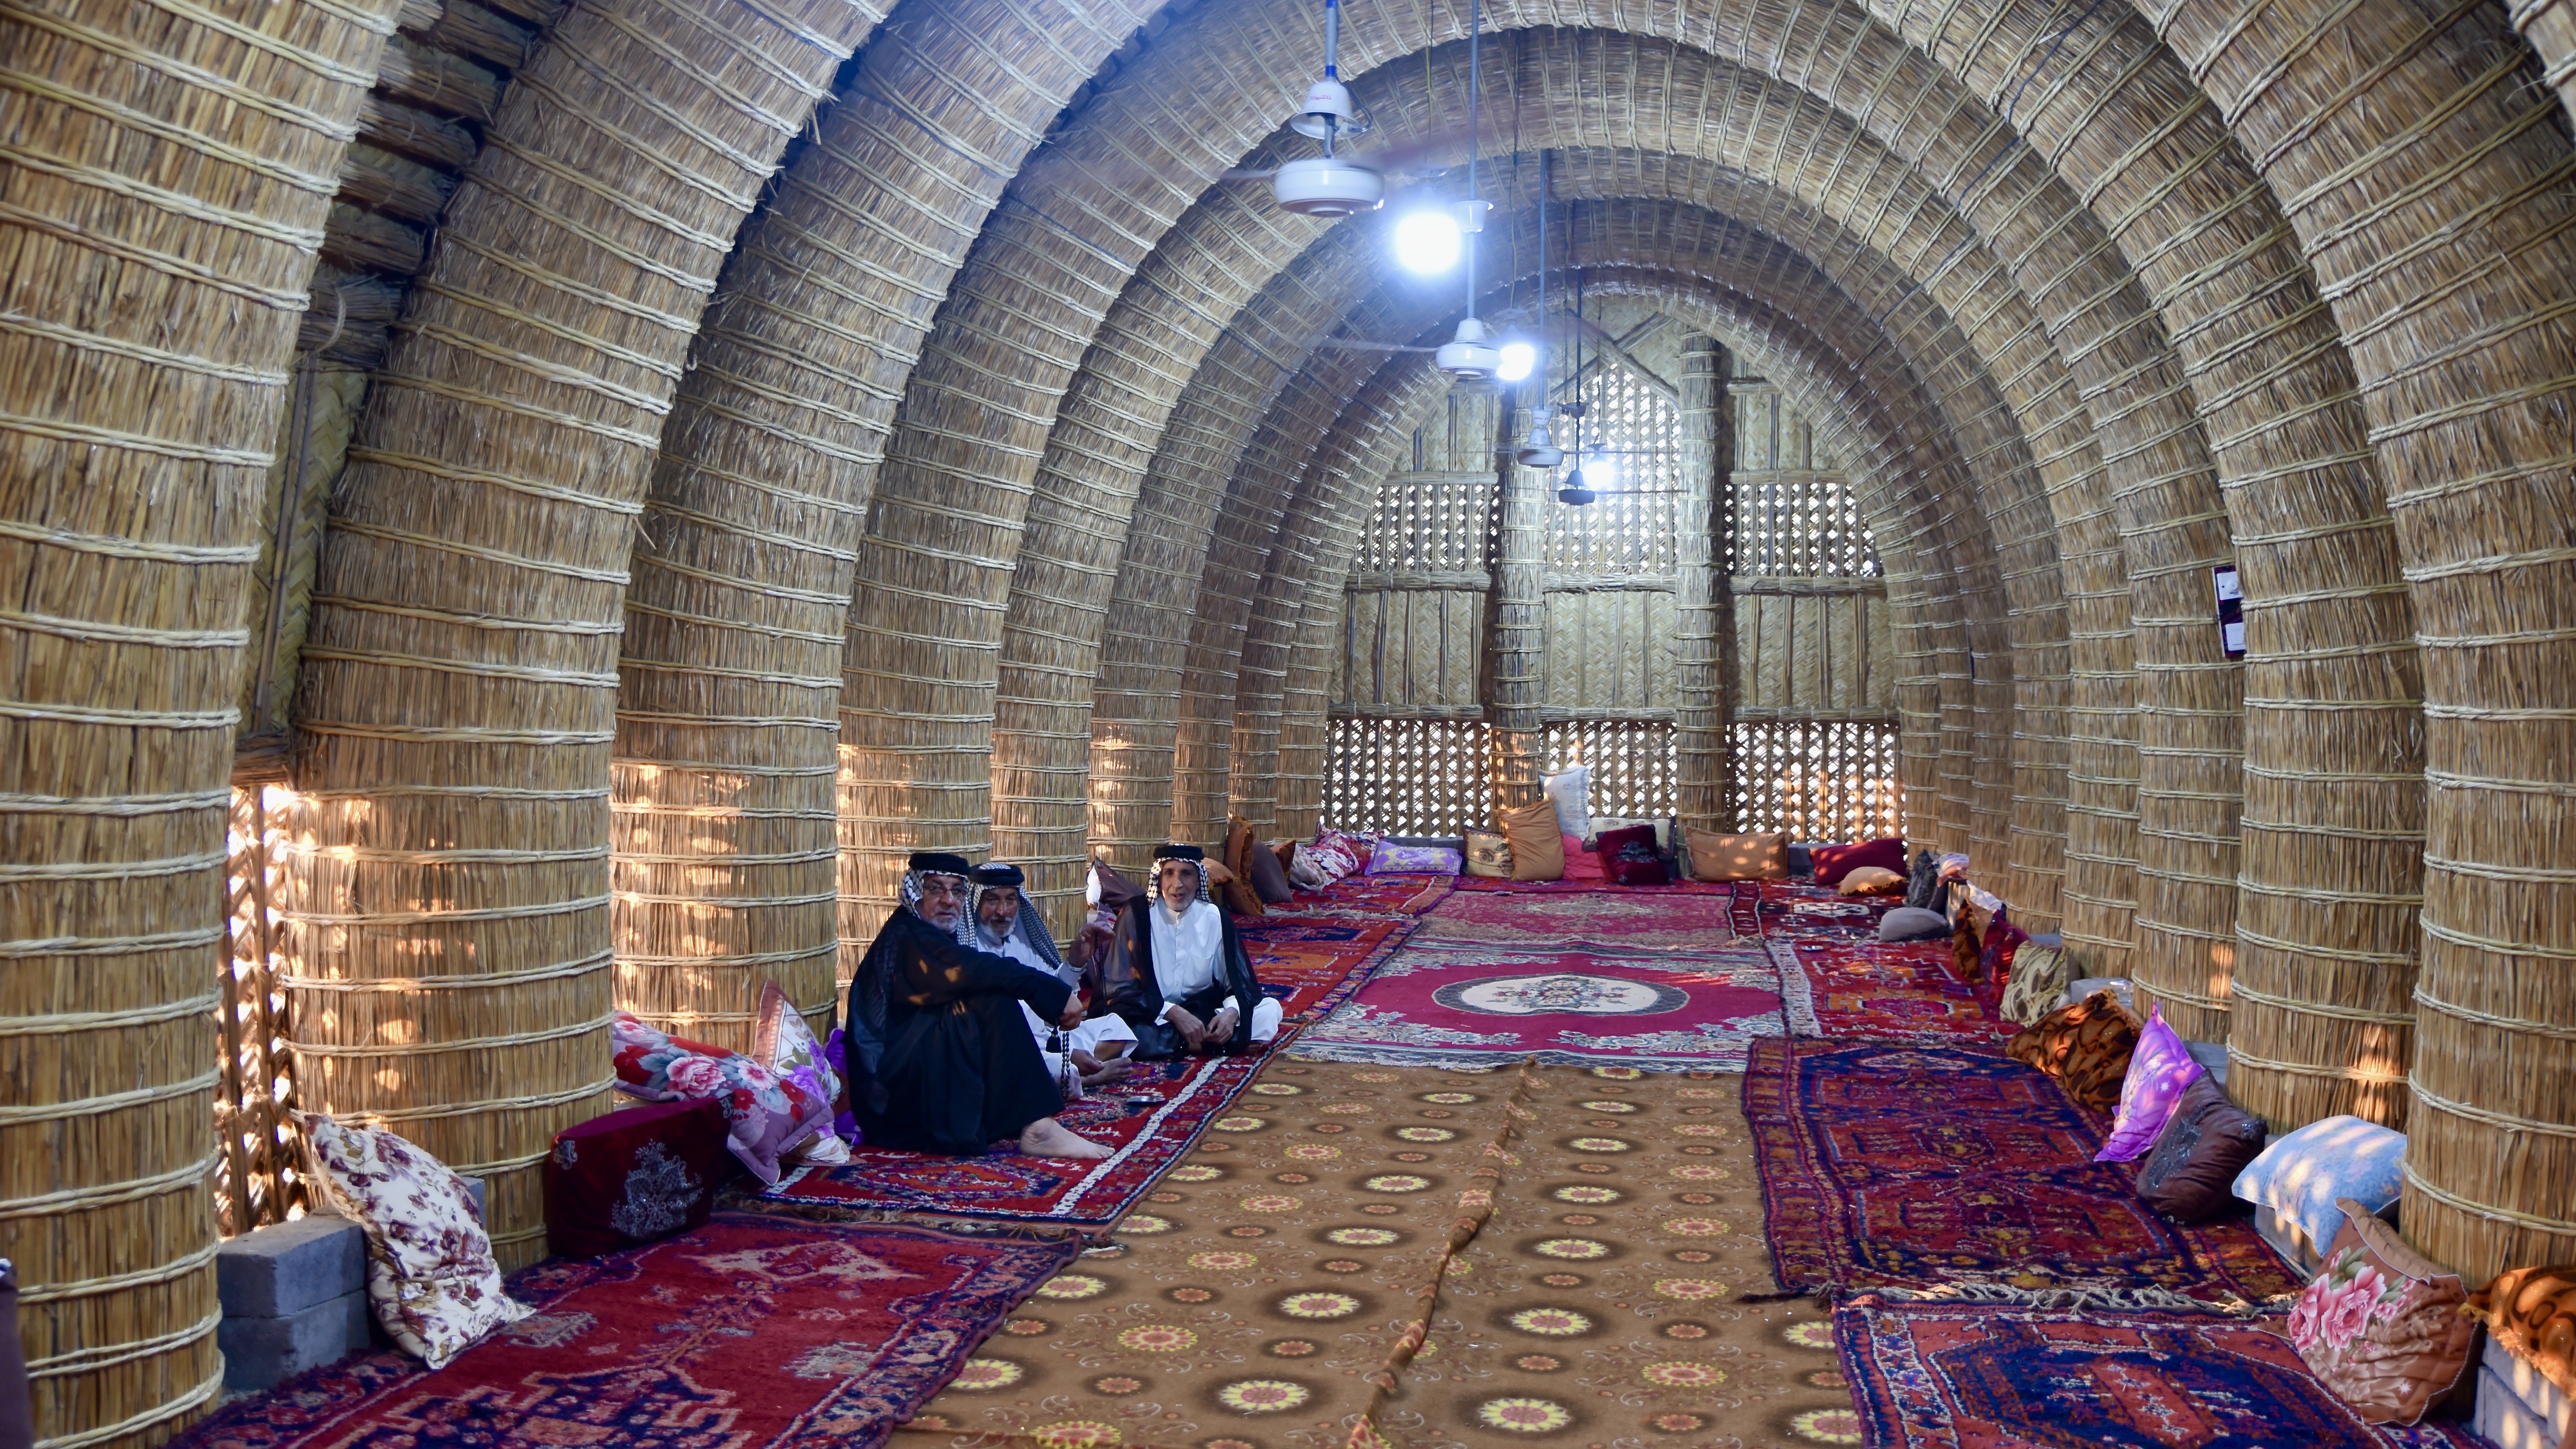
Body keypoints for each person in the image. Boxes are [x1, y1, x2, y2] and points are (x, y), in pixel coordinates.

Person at [843, 852, 1108, 1158]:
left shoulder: (930, 934)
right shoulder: (910, 935)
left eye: (957, 891)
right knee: (991, 997)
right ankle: (1038, 1128)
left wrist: (1055, 984)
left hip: (914, 1075)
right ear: (914, 894)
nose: (948, 900)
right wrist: (1047, 990)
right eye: (935, 889)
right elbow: (969, 970)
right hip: (891, 1101)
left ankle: (1032, 1121)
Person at [961, 862, 1137, 1094]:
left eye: (1011, 900)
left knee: (1115, 1029)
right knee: (1029, 1064)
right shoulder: (967, 950)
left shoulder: (1021, 942)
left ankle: (1066, 1071)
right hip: (1004, 1045)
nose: (1003, 911)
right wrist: (1068, 1054)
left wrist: (1076, 962)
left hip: (1046, 1038)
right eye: (993, 900)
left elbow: (1053, 999)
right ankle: (1086, 1078)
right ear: (977, 903)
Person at [1097, 843, 1283, 1059]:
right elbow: (1117, 990)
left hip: (1199, 1013)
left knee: (1270, 1010)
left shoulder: (1214, 917)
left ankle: (1188, 1042)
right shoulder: (1137, 914)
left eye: (1186, 874)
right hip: (1150, 1013)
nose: (1177, 884)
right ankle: (1207, 1045)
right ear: (1159, 878)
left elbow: (1240, 984)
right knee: (1117, 1031)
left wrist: (1231, 1014)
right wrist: (1172, 1012)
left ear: (1198, 881)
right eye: (1169, 874)